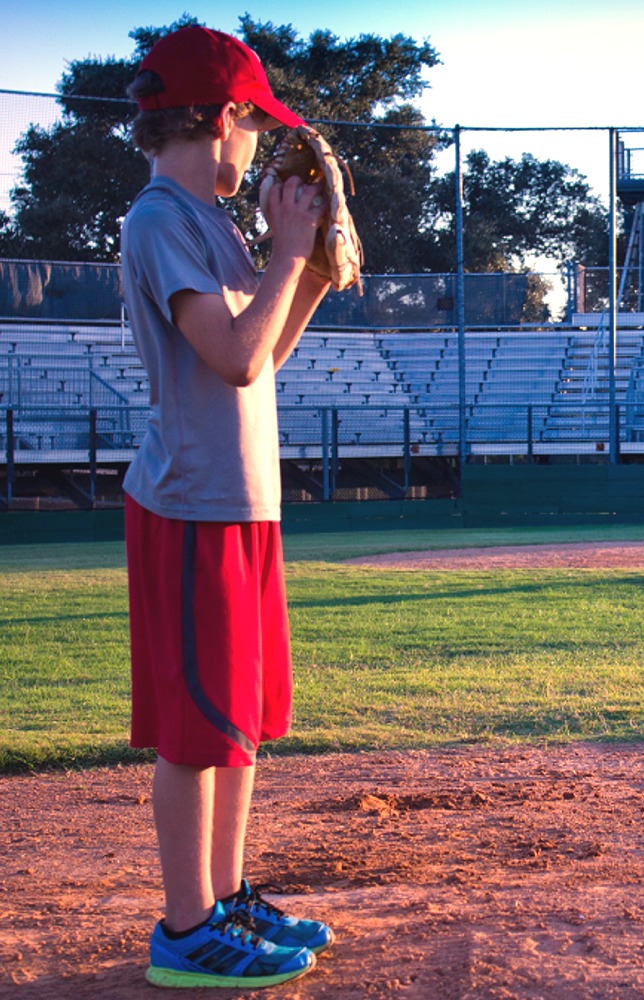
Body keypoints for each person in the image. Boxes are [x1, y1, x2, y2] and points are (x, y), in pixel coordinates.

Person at [121, 26, 334, 989]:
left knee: (239, 721)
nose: (260, 150)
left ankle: (226, 896)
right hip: (193, 504)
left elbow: (268, 356)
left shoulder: (211, 221)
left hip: (243, 502)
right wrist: (288, 249)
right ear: (223, 116)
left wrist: (315, 273)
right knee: (196, 731)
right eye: (255, 124)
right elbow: (235, 355)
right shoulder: (160, 219)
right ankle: (183, 929)